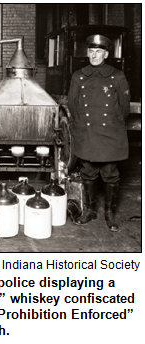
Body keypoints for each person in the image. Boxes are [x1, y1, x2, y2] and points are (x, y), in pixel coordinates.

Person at [68, 34, 131, 231]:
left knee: (110, 173)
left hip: (110, 134)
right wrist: (83, 125)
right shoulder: (79, 75)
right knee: (88, 173)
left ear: (106, 54)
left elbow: (124, 108)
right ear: (87, 53)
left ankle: (110, 214)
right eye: (91, 51)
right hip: (86, 132)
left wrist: (112, 125)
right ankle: (90, 210)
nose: (94, 55)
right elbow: (73, 104)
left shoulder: (116, 76)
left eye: (98, 52)